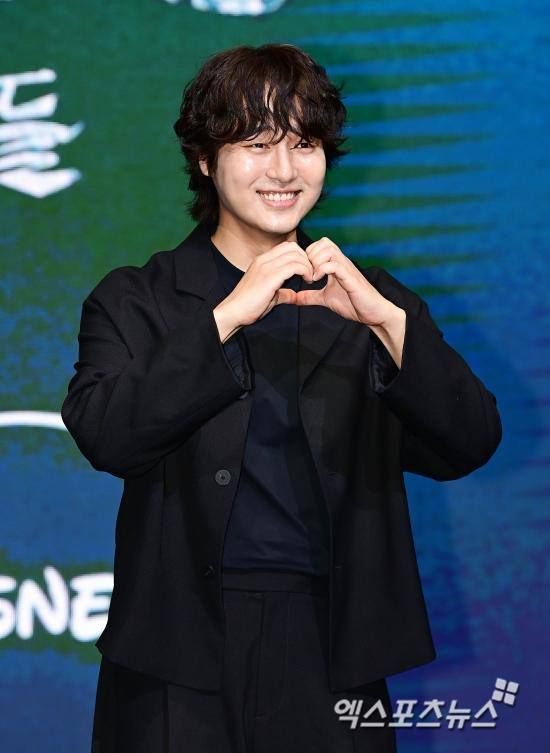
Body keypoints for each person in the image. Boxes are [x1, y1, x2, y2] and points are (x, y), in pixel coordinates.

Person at [61, 43, 502, 753]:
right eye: (257, 143)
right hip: (177, 648)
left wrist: (391, 327)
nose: (284, 170)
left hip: (333, 646)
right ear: (205, 160)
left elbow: (470, 441)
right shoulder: (137, 299)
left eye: (304, 144)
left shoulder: (368, 300)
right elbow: (107, 434)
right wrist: (226, 317)